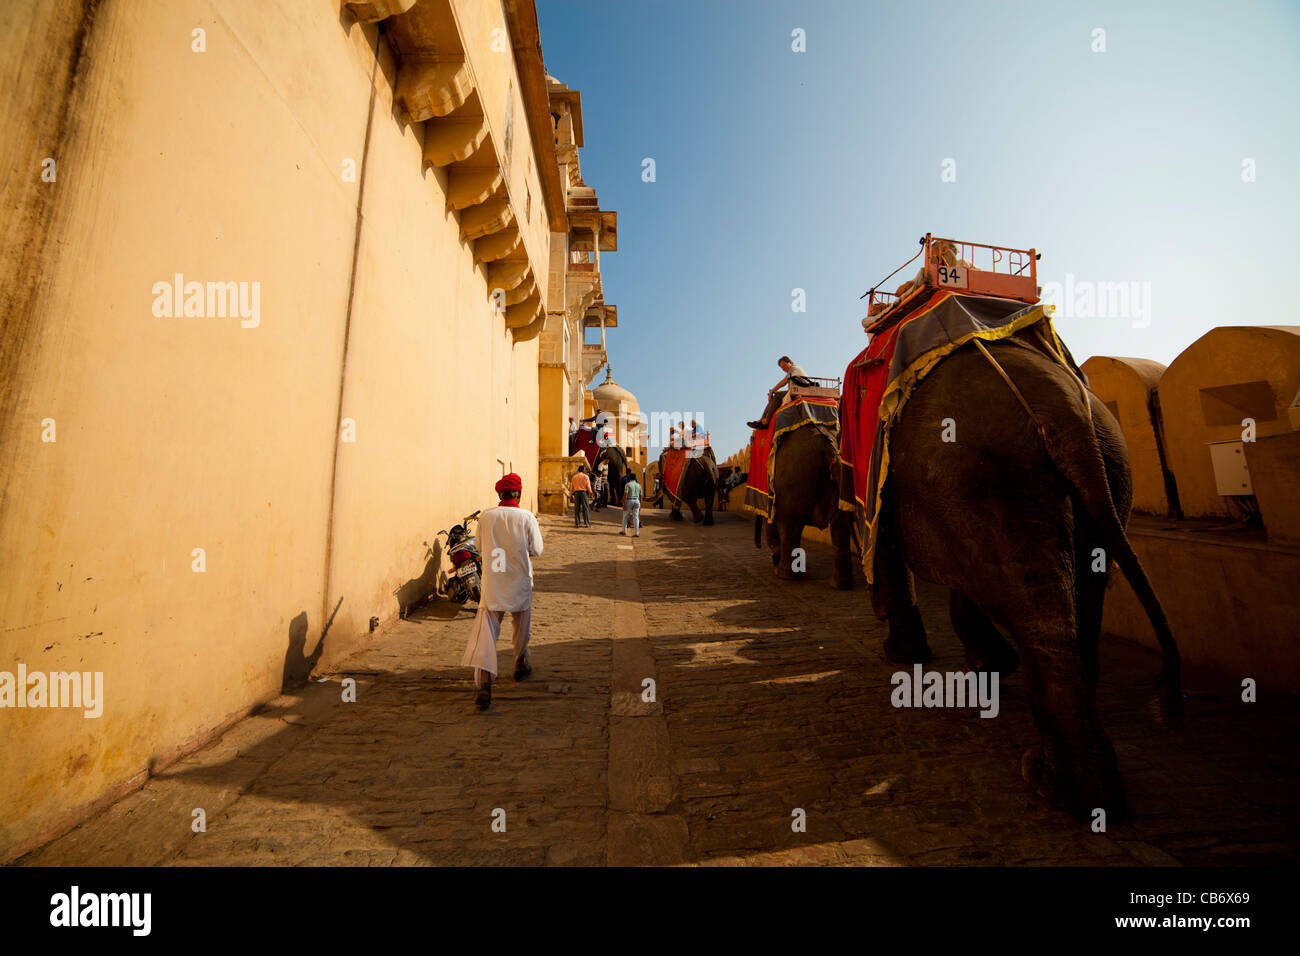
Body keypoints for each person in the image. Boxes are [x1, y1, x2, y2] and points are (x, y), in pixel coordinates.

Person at [460, 473, 543, 710]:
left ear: (500, 494)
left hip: (494, 582)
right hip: (519, 579)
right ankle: (520, 663)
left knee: (487, 631)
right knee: (521, 625)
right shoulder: (527, 517)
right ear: (520, 493)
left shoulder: (486, 516)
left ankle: (485, 680)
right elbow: (537, 549)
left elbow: (478, 547)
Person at [746, 356, 817, 430]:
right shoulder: (793, 371)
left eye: (784, 366)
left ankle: (766, 421)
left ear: (790, 363)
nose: (783, 368)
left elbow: (784, 381)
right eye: (782, 368)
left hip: (800, 391)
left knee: (777, 395)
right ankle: (762, 419)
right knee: (777, 395)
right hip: (798, 390)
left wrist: (772, 391)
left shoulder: (794, 368)